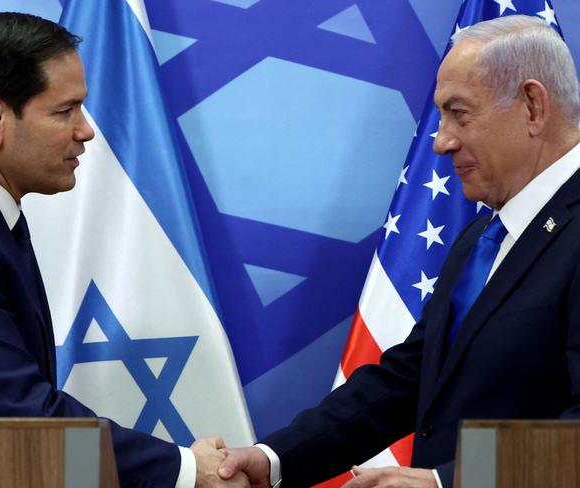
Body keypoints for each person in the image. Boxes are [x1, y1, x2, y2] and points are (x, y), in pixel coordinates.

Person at [217, 14, 580, 488]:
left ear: (532, 106)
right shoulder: (483, 237)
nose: (441, 141)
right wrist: (273, 459)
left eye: (460, 113)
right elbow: (409, 379)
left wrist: (445, 482)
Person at [0, 12, 246, 488]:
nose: (86, 131)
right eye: (65, 111)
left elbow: (1, 443)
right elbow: (17, 425)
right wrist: (184, 470)